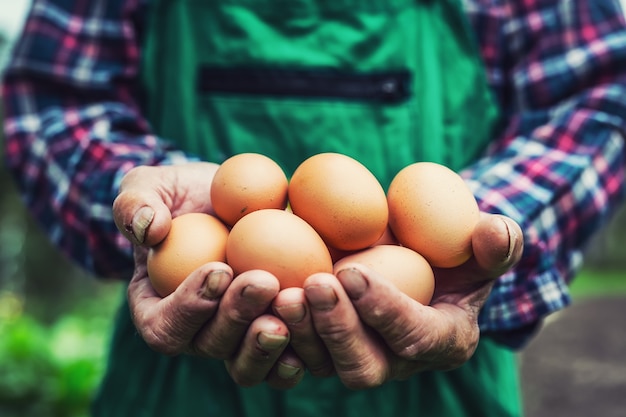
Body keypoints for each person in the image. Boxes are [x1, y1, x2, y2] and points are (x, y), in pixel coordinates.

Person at [2, 0, 626, 415]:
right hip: (183, 373)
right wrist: (150, 219)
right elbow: (51, 103)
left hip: (440, 385)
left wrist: (474, 239)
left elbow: (599, 94)